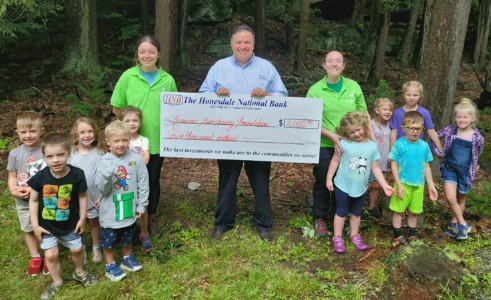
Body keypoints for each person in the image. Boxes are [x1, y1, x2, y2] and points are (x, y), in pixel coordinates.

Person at [199, 24, 288, 241]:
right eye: (238, 42)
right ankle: (222, 224)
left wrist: (267, 95)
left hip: (259, 137)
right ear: (231, 45)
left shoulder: (267, 68)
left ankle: (264, 225)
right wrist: (216, 94)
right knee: (227, 180)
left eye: (247, 42)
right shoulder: (219, 67)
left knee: (260, 180)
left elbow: (283, 96)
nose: (243, 46)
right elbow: (202, 94)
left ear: (254, 44)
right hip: (228, 136)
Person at [111, 35, 177, 236]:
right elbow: (116, 108)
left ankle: (151, 217)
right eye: (142, 52)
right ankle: (128, 219)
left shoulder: (168, 80)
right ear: (137, 54)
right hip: (129, 144)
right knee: (127, 179)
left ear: (158, 54)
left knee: (152, 180)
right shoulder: (128, 77)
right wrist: (130, 125)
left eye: (151, 52)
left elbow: (175, 111)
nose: (147, 55)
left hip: (156, 142)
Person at [306, 50, 371, 237]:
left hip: (352, 145)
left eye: (338, 61)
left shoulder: (353, 87)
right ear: (324, 65)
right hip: (325, 145)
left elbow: (364, 114)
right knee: (323, 180)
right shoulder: (315, 90)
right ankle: (320, 218)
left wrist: (369, 139)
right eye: (330, 61)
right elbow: (309, 120)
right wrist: (332, 137)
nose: (334, 64)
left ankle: (339, 217)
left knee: (344, 181)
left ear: (343, 66)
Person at [27, 133, 97, 300]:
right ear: (44, 157)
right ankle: (57, 282)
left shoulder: (77, 174)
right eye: (50, 156)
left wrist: (82, 219)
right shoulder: (41, 176)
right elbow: (33, 201)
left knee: (77, 249)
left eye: (60, 155)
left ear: (69, 153)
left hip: (71, 224)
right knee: (51, 255)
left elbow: (82, 196)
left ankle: (79, 272)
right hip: (47, 226)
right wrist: (35, 226)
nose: (56, 160)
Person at [326, 112, 394, 254]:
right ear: (346, 132)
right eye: (352, 132)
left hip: (361, 187)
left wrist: (385, 185)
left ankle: (354, 235)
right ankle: (337, 237)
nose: (356, 134)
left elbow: (375, 167)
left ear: (364, 127)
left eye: (358, 130)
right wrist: (329, 178)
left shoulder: (372, 146)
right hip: (343, 185)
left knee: (356, 213)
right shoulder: (343, 144)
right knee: (341, 211)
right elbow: (335, 161)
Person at [96, 121, 149, 282]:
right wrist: (106, 175)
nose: (121, 144)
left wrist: (142, 204)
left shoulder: (136, 159)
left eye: (124, 140)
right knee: (109, 239)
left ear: (129, 140)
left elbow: (143, 182)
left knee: (128, 235)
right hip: (110, 209)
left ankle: (127, 257)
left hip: (129, 205)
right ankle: (110, 265)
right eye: (116, 141)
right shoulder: (104, 161)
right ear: (108, 141)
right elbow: (102, 190)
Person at [430, 98, 484, 240]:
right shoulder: (450, 130)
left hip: (466, 172)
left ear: (473, 118)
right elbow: (434, 137)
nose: (461, 119)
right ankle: (463, 223)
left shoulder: (477, 137)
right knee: (449, 197)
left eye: (465, 117)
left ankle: (454, 224)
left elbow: (477, 153)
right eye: (459, 116)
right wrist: (439, 152)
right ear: (455, 118)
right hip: (449, 168)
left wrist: (474, 168)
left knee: (461, 198)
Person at [7, 111, 48, 276]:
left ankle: (49, 254)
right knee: (28, 228)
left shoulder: (46, 150)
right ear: (17, 132)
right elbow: (12, 176)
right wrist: (13, 190)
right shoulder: (15, 153)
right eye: (23, 132)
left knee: (46, 225)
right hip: (23, 200)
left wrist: (35, 189)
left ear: (41, 131)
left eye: (32, 131)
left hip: (44, 198)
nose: (28, 135)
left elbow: (52, 175)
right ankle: (35, 256)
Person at [389, 111, 438, 247]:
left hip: (419, 185)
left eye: (419, 129)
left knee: (414, 212)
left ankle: (412, 235)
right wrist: (398, 184)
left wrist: (431, 185)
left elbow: (427, 166)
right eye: (412, 128)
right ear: (404, 128)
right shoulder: (399, 144)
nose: (415, 132)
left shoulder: (424, 146)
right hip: (403, 183)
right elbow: (393, 164)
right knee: (398, 210)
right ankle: (398, 236)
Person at [69, 117, 106, 263]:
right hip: (76, 199)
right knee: (79, 224)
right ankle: (81, 247)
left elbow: (105, 176)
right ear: (75, 134)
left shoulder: (100, 152)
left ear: (95, 133)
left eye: (90, 131)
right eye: (82, 132)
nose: (86, 135)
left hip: (94, 197)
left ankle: (96, 247)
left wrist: (102, 196)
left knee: (94, 222)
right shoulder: (71, 153)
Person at [117, 106, 153, 251]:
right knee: (126, 206)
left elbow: (145, 160)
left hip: (139, 180)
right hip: (124, 182)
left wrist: (128, 160)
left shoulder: (143, 140)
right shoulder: (119, 140)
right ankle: (127, 233)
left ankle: (144, 232)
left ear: (140, 122)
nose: (132, 123)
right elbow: (117, 161)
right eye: (127, 120)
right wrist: (136, 158)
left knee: (142, 206)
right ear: (120, 122)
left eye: (135, 120)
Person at [389, 81, 443, 154]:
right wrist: (392, 152)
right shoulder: (397, 113)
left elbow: (431, 131)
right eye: (408, 95)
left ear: (420, 96)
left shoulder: (424, 112)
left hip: (417, 150)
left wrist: (440, 149)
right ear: (403, 95)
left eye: (415, 95)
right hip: (400, 151)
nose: (411, 98)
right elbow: (394, 133)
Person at [367, 98, 394, 218]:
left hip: (383, 159)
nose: (388, 112)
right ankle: (359, 207)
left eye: (390, 110)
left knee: (376, 185)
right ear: (377, 110)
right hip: (371, 160)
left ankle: (371, 207)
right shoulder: (370, 124)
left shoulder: (391, 126)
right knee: (366, 184)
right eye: (385, 109)